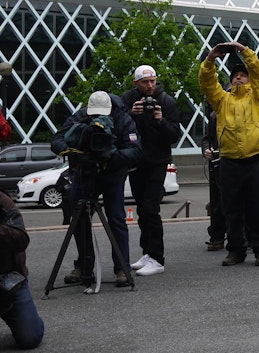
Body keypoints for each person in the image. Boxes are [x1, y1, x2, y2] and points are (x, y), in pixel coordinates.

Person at [51, 91, 142, 287]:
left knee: (117, 219)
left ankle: (122, 269)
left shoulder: (122, 118)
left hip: (112, 174)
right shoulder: (81, 116)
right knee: (79, 220)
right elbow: (57, 139)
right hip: (85, 174)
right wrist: (72, 151)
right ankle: (84, 267)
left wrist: (111, 155)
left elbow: (135, 151)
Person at [199, 42, 259, 267]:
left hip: (255, 157)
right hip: (230, 160)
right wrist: (210, 59)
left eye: (243, 75)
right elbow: (207, 82)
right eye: (235, 76)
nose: (238, 78)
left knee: (258, 207)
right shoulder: (222, 100)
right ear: (230, 80)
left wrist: (243, 50)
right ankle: (236, 251)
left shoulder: (258, 96)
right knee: (231, 209)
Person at [121, 65, 181, 277]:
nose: (149, 85)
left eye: (152, 81)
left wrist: (160, 120)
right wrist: (131, 114)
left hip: (157, 161)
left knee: (150, 209)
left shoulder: (166, 101)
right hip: (137, 162)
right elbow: (118, 126)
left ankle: (157, 258)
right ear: (135, 82)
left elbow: (174, 135)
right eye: (145, 82)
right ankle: (147, 253)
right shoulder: (127, 99)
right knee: (141, 209)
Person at [201, 107, 259, 251]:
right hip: (224, 162)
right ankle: (221, 238)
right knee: (222, 204)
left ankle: (254, 241)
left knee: (255, 204)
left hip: (252, 161)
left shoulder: (256, 108)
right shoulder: (217, 113)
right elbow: (208, 139)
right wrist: (207, 149)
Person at [0, 189, 44, 349]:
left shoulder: (2, 200)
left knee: (30, 338)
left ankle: (25, 319)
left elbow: (21, 239)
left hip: (7, 282)